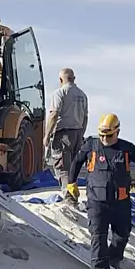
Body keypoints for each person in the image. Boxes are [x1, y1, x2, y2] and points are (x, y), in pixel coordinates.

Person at [67, 113, 135, 269]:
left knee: (122, 234)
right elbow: (76, 162)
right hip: (96, 201)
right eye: (102, 135)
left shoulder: (127, 148)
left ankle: (114, 257)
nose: (105, 139)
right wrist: (71, 182)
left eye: (109, 135)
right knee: (98, 236)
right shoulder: (91, 146)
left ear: (117, 132)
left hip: (121, 201)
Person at [44, 68, 88, 200]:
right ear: (74, 79)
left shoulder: (60, 93)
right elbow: (85, 117)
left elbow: (54, 114)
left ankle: (68, 197)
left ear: (60, 80)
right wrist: (81, 134)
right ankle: (73, 194)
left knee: (63, 167)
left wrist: (47, 134)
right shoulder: (82, 95)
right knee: (74, 167)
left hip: (63, 134)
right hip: (78, 133)